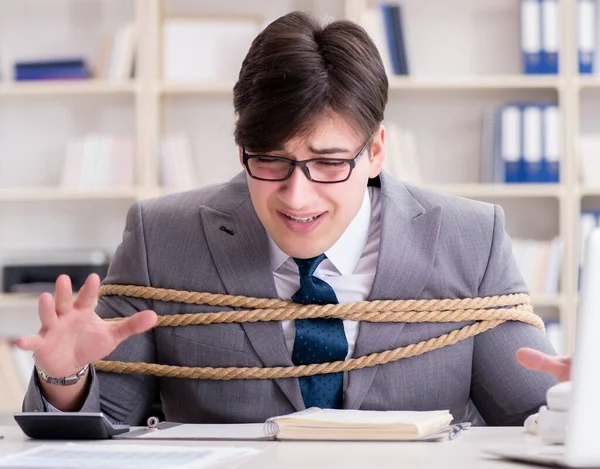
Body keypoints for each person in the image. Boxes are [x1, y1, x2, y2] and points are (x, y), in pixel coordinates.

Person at [18, 11, 568, 426]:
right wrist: (65, 377)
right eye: (271, 161)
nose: (297, 197)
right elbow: (100, 427)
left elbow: (534, 417)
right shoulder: (163, 238)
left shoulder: (469, 241)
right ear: (241, 152)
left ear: (376, 151)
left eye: (328, 163)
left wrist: (578, 402)